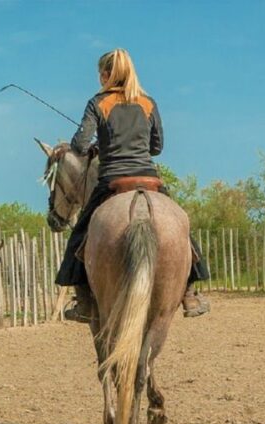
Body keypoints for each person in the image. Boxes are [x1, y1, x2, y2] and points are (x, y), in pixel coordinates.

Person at [54, 48, 210, 322]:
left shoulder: (98, 102)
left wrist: (98, 146)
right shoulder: (148, 103)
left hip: (112, 180)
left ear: (107, 74)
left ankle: (83, 302)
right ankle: (189, 292)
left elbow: (79, 145)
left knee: (79, 234)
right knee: (181, 227)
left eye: (100, 73)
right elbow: (157, 147)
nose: (99, 78)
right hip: (149, 179)